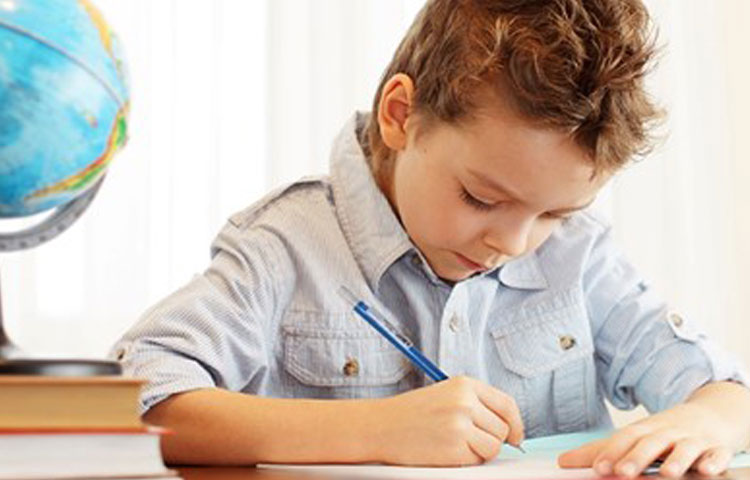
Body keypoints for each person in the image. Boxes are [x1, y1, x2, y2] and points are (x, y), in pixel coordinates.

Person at [110, 0, 750, 476]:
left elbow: (729, 394)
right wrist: (374, 430)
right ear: (400, 116)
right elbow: (133, 405)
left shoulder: (578, 257)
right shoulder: (286, 247)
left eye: (554, 213)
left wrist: (704, 420)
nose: (514, 243)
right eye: (482, 198)